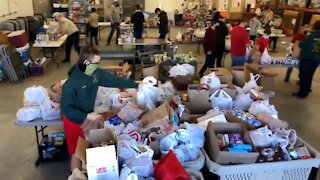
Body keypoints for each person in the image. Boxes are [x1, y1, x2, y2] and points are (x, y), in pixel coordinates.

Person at [61, 46, 138, 171]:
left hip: (89, 117)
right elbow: (66, 109)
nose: (97, 65)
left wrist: (137, 85)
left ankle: (89, 173)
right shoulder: (71, 83)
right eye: (95, 63)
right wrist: (85, 116)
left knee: (88, 147)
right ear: (86, 62)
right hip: (73, 121)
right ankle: (75, 176)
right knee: (76, 152)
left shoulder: (95, 73)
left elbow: (114, 80)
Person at [292, 21, 320, 98]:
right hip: (317, 59)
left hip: (307, 58)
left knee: (304, 76)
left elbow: (301, 44)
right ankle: (308, 89)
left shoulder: (310, 36)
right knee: (310, 74)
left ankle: (302, 93)